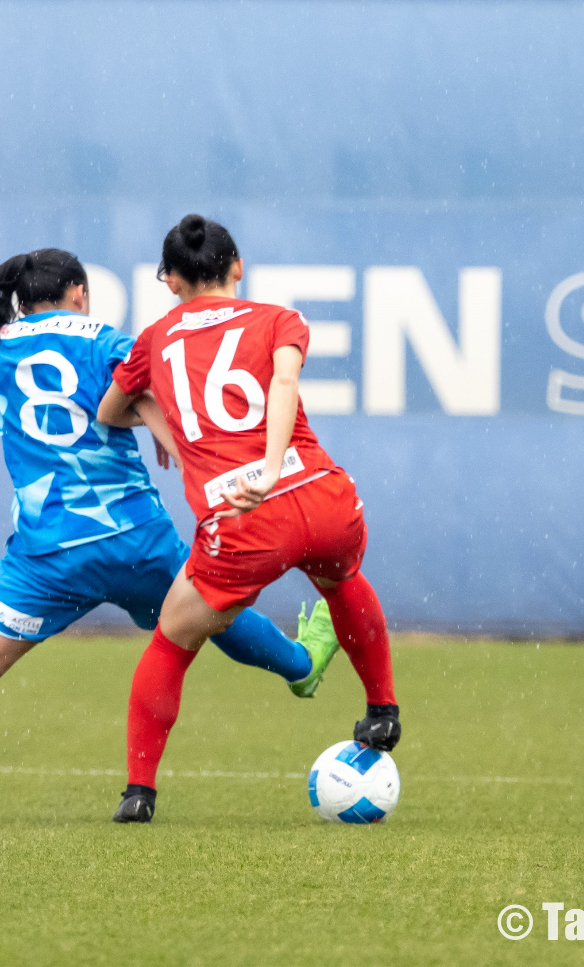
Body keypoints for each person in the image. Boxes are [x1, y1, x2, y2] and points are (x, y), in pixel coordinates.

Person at [0, 247, 340, 818]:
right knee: (208, 610)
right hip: (134, 539)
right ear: (79, 292)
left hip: (48, 552)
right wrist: (164, 433)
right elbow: (153, 395)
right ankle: (300, 667)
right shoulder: (110, 341)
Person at [97, 214, 400, 823]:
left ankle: (139, 792)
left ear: (172, 280)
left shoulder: (156, 339)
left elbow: (112, 409)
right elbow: (284, 379)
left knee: (174, 640)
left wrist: (172, 431)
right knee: (341, 580)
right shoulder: (277, 318)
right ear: (237, 267)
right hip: (319, 495)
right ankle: (383, 709)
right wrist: (272, 464)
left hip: (244, 521)